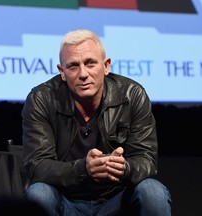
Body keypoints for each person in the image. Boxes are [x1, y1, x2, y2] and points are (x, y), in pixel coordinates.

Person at [21, 29, 172, 216]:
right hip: (65, 200)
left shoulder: (132, 95)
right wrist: (82, 168)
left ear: (106, 65)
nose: (83, 74)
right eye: (73, 66)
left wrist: (124, 168)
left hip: (117, 200)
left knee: (153, 192)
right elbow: (37, 166)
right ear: (62, 72)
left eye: (90, 63)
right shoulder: (41, 99)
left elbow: (147, 161)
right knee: (38, 194)